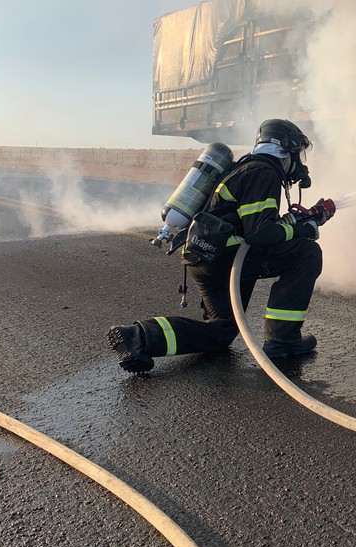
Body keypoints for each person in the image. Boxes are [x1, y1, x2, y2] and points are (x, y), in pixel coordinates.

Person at [107, 119, 331, 373]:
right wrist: (303, 229)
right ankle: (283, 340)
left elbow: (254, 222)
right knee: (307, 253)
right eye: (297, 153)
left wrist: (305, 218)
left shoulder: (245, 168)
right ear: (285, 149)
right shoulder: (264, 172)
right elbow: (259, 233)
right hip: (229, 258)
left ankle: (138, 337)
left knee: (221, 332)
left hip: (204, 257)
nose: (299, 162)